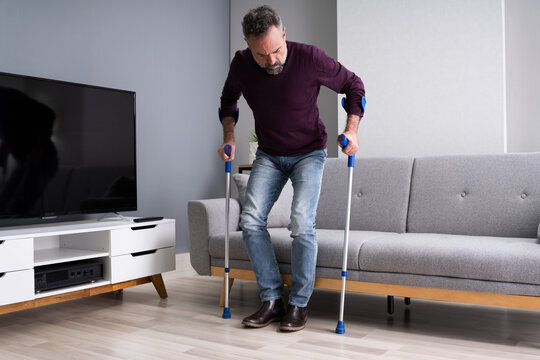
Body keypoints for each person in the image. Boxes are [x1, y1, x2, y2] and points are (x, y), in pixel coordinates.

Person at [217, 5, 365, 332]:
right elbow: (228, 102)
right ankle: (272, 300)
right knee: (250, 220)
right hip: (269, 153)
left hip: (309, 152)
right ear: (247, 45)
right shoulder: (242, 64)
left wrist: (352, 129)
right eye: (262, 55)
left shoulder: (310, 58)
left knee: (300, 221)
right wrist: (230, 136)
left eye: (277, 50)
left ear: (284, 34)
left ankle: (298, 305)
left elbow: (354, 85)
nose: (272, 61)